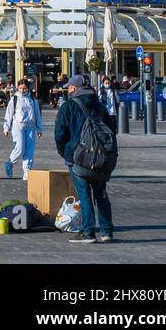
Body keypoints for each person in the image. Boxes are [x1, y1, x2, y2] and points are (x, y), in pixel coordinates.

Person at [53, 74, 116, 244]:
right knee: (101, 194)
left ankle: (88, 232)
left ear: (74, 88)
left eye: (69, 87)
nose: (68, 89)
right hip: (101, 158)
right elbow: (112, 129)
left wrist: (65, 153)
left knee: (84, 195)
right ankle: (107, 231)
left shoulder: (69, 106)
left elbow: (59, 133)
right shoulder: (100, 105)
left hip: (78, 158)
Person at [2, 76, 43, 179]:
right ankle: (9, 163)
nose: (22, 90)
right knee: (20, 148)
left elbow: (37, 114)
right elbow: (9, 114)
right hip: (18, 126)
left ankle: (27, 171)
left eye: (24, 88)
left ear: (28, 88)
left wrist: (39, 128)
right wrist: (6, 128)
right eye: (20, 88)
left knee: (29, 149)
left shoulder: (32, 99)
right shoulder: (14, 99)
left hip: (31, 127)